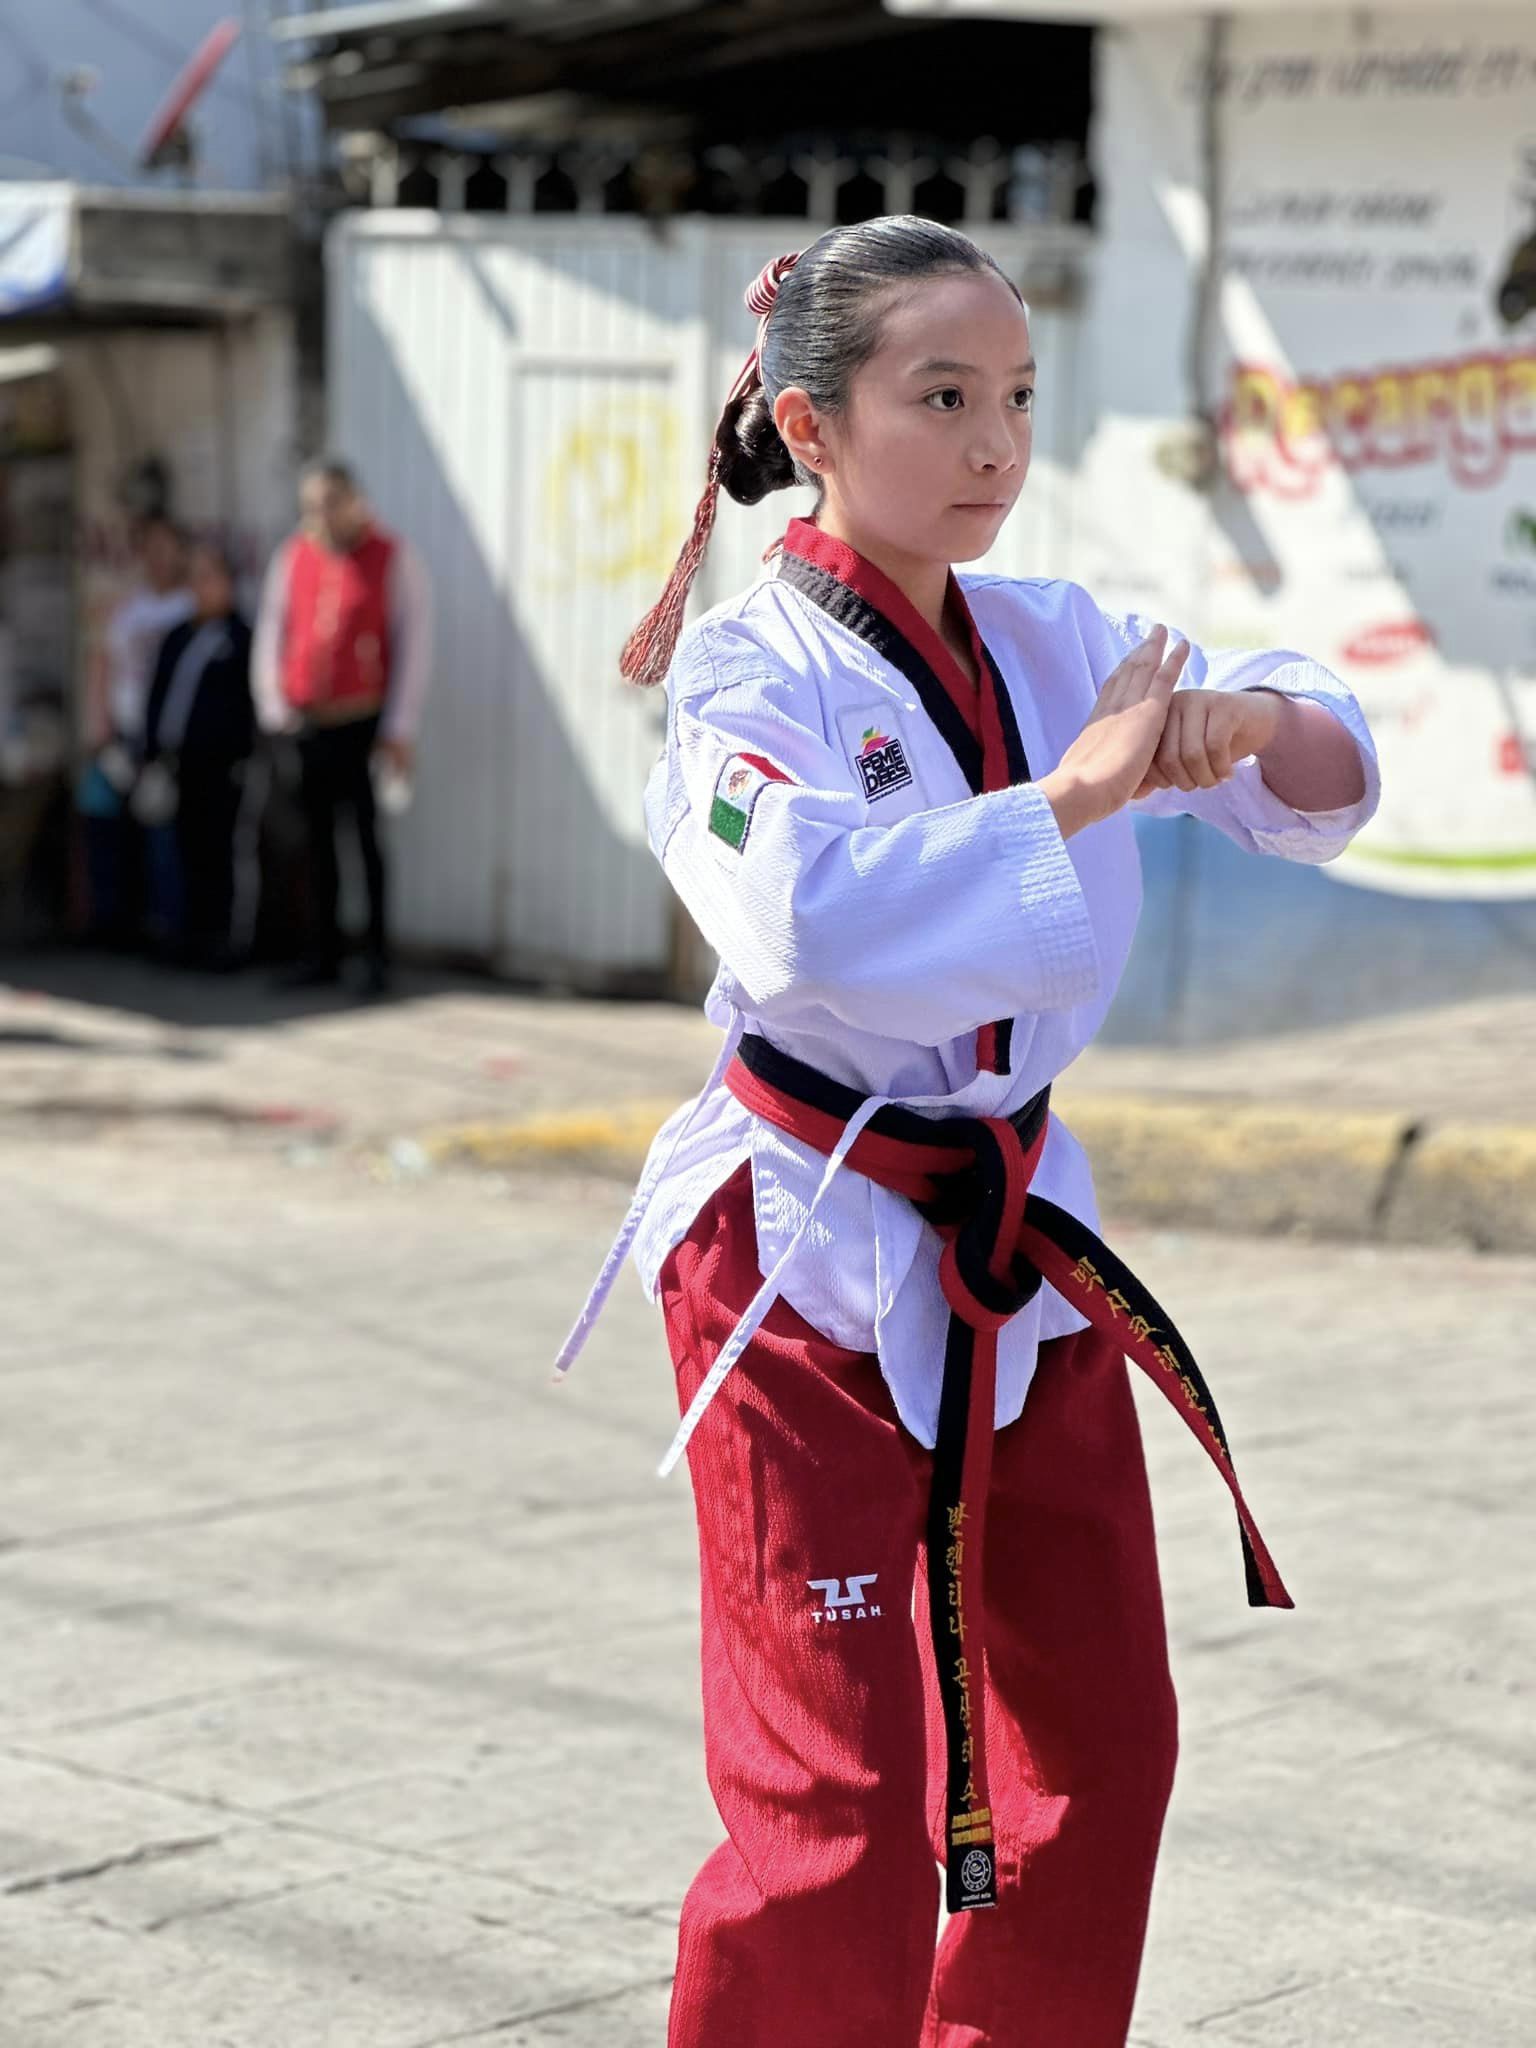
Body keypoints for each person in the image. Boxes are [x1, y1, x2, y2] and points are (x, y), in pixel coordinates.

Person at [556, 218, 1379, 2048]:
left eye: (1015, 395)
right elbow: (800, 922)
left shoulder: (1051, 628)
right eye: (943, 397)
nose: (997, 440)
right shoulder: (743, 678)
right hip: (800, 1242)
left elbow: (1326, 757)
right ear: (812, 424)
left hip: (1017, 1237)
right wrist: (1074, 789)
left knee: (1101, 1743)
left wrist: (1239, 720)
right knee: (837, 1799)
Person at [252, 458, 432, 995]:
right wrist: (274, 704)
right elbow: (273, 631)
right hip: (308, 723)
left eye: (330, 503)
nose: (321, 516)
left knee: (366, 843)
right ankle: (323, 956)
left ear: (353, 501)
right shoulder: (293, 557)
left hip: (363, 724)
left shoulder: (392, 558)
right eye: (311, 506)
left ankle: (375, 959)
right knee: (316, 843)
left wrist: (399, 726)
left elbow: (413, 644)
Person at [78, 515, 194, 945]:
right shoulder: (128, 607)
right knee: (101, 817)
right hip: (119, 733)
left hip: (164, 738)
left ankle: (166, 925)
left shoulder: (187, 606)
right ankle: (110, 921)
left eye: (167, 547)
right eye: (150, 548)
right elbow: (101, 666)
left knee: (162, 833)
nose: (159, 557)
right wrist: (99, 732)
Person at [141, 542, 256, 968]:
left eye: (209, 576)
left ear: (227, 582)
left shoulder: (240, 639)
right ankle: (186, 936)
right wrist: (150, 753)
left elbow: (249, 706)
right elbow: (158, 699)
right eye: (194, 578)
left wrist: (242, 756)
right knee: (182, 853)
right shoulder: (178, 636)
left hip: (224, 769)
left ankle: (226, 941)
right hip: (177, 765)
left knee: (222, 854)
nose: (200, 587)